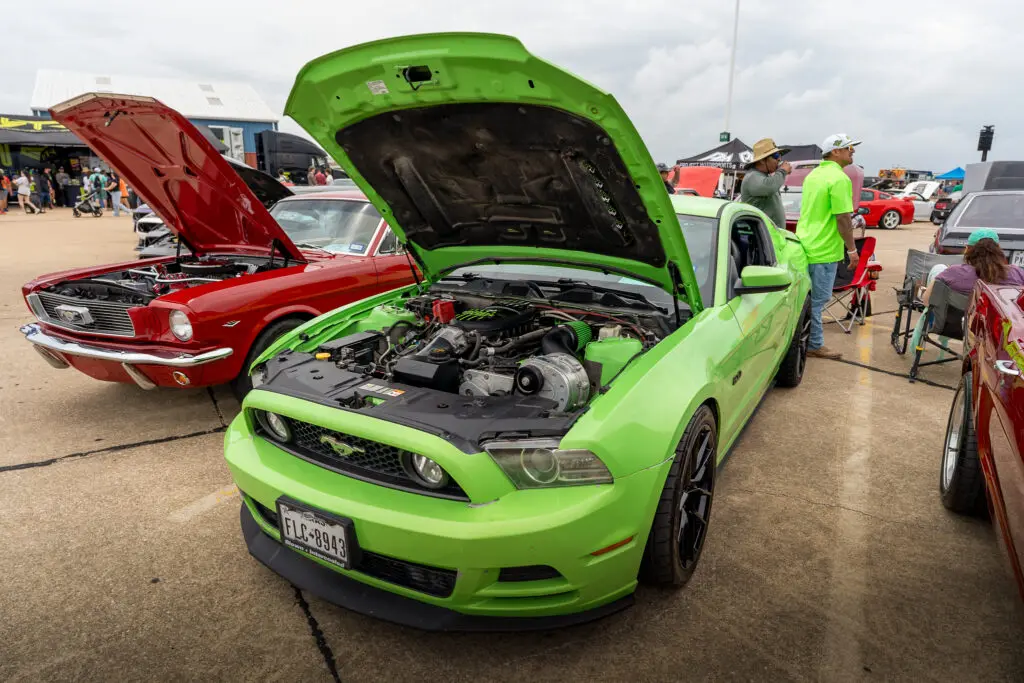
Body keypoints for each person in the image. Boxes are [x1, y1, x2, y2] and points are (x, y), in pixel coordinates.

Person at [795, 133, 862, 360]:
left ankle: (808, 340)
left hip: (806, 243)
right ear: (836, 151)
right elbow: (843, 218)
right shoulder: (839, 179)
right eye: (849, 148)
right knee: (817, 301)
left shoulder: (814, 175)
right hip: (824, 250)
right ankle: (814, 343)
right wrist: (852, 250)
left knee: (808, 298)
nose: (852, 151)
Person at [924, 229, 1024, 302]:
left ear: (967, 249)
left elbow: (927, 300)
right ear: (998, 249)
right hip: (1002, 328)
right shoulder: (1017, 273)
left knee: (939, 268)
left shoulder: (953, 272)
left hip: (952, 328)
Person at [739, 138, 792, 229]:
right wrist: (782, 171)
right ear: (762, 160)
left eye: (779, 155)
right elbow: (769, 187)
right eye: (775, 156)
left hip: (769, 237)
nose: (779, 159)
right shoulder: (752, 177)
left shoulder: (763, 176)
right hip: (761, 238)